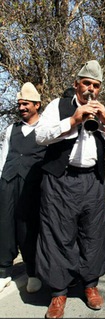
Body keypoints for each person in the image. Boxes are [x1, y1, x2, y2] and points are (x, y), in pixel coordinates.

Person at [34, 60, 105, 319]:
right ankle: (58, 292)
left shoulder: (104, 110)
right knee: (57, 236)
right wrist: (73, 121)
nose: (91, 90)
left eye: (96, 86)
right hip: (60, 181)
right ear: (76, 84)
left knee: (93, 235)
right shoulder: (57, 106)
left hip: (91, 182)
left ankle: (90, 285)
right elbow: (40, 136)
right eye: (87, 83)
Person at [0, 82, 46, 294]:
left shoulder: (46, 130)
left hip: (31, 186)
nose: (22, 108)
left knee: (28, 229)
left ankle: (33, 273)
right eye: (19, 104)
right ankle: (4, 272)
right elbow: (4, 156)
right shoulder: (11, 129)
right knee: (4, 227)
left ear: (37, 105)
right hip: (8, 183)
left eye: (26, 104)